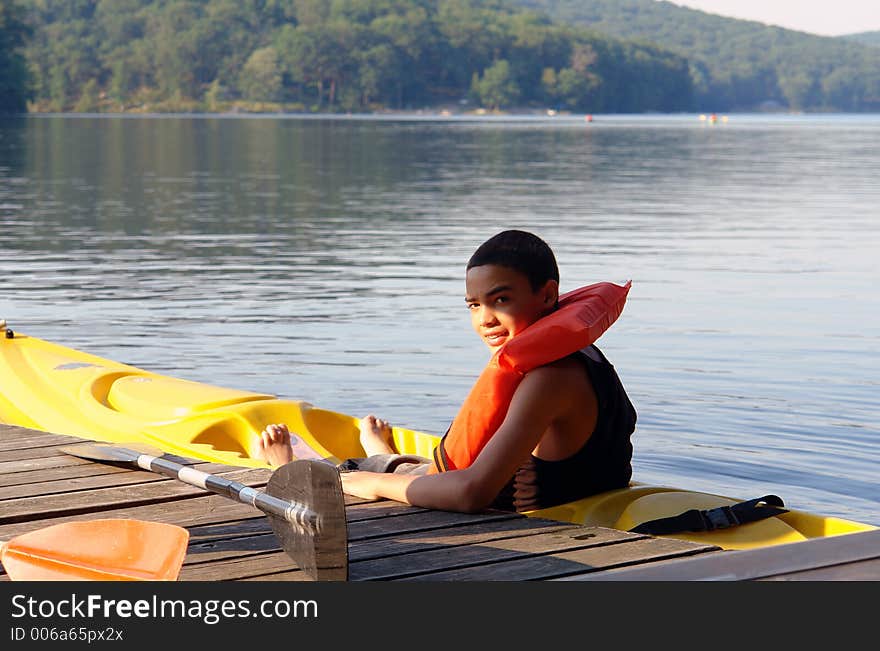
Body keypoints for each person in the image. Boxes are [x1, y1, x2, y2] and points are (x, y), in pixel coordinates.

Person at [256, 230, 636, 513]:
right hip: (542, 490)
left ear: (549, 295)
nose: (485, 319)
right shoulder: (586, 355)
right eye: (473, 305)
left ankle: (291, 470)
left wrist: (364, 483)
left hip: (517, 521)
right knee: (420, 470)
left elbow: (472, 493)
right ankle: (385, 456)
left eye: (501, 299)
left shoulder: (549, 379)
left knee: (357, 476)